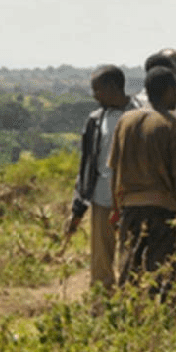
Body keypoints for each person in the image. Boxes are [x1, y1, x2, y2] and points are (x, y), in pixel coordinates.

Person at [109, 66, 176, 297]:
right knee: (163, 273)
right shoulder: (173, 127)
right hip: (162, 211)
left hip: (130, 208)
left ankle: (127, 318)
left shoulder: (125, 121)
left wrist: (116, 209)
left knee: (129, 270)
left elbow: (114, 170)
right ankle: (161, 322)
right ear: (168, 91)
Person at [65, 65, 140, 290]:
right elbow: (87, 164)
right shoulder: (95, 120)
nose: (94, 95)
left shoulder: (139, 114)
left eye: (97, 89)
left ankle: (130, 305)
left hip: (131, 200)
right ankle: (101, 307)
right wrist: (78, 206)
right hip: (101, 199)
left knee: (131, 256)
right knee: (101, 263)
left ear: (113, 87)